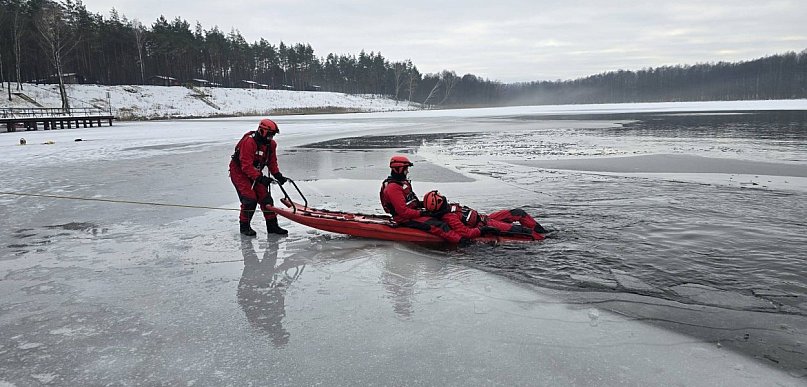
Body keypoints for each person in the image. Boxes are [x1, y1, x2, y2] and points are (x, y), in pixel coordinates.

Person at [379, 155, 470, 245]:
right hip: (404, 219)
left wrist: (433, 206)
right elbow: (403, 212)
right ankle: (462, 241)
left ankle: (466, 227)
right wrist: (423, 213)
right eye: (406, 169)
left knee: (443, 212)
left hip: (413, 213)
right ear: (398, 169)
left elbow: (415, 203)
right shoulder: (393, 188)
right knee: (440, 226)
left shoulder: (402, 183)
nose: (407, 171)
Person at [229, 118, 290, 236]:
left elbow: (272, 162)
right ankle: (245, 227)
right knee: (250, 199)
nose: (271, 137)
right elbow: (245, 166)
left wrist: (278, 175)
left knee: (266, 199)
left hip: (255, 172)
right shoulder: (249, 142)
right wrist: (260, 178)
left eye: (273, 135)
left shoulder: (271, 145)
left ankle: (272, 226)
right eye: (270, 134)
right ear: (262, 131)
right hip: (239, 173)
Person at [422, 190, 549, 240]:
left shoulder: (448, 208)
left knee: (518, 213)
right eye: (438, 196)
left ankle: (544, 233)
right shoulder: (450, 217)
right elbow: (466, 233)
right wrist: (483, 230)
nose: (441, 196)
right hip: (485, 225)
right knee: (524, 231)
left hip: (485, 218)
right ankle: (544, 241)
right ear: (437, 202)